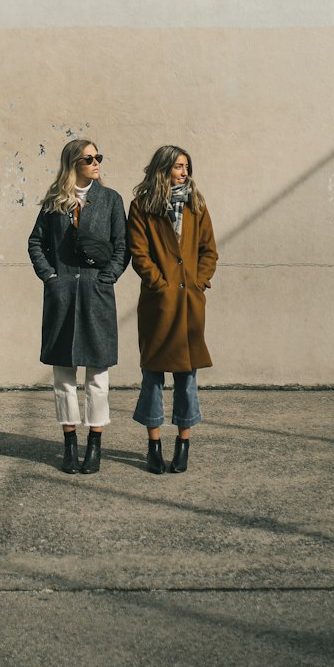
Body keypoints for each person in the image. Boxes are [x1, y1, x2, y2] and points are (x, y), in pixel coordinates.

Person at [28, 138, 128, 474]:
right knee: (63, 378)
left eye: (98, 156)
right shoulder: (55, 202)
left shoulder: (111, 200)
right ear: (73, 164)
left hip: (96, 296)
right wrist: (50, 277)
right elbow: (36, 242)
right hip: (62, 298)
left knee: (98, 376)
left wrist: (107, 277)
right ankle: (70, 443)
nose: (96, 163)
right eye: (89, 159)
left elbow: (121, 246)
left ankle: (95, 444)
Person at [127, 145, 218, 474]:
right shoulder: (142, 206)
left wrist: (199, 282)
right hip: (158, 304)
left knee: (186, 377)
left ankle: (183, 444)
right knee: (152, 376)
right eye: (178, 166)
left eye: (186, 166)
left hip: (190, 304)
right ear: (162, 169)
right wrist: (159, 284)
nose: (184, 172)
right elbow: (139, 253)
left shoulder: (197, 205)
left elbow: (209, 250)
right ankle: (153, 445)